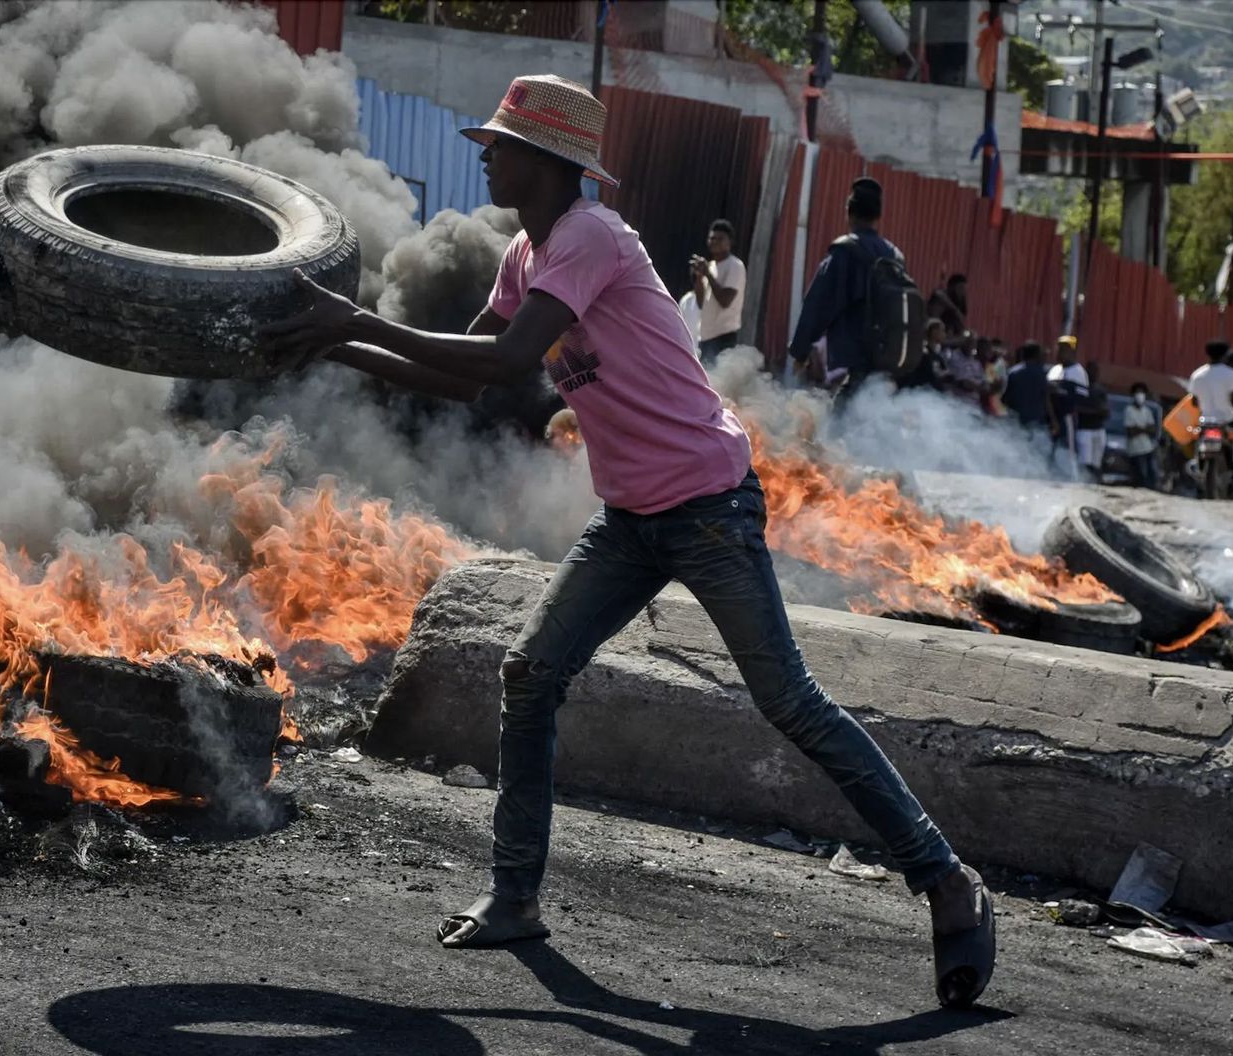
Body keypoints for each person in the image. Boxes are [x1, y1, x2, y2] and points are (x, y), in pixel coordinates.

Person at [259, 74, 994, 1008]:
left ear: (551, 163)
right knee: (531, 674)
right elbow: (466, 379)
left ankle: (945, 881)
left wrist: (351, 321)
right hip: (634, 520)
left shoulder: (594, 238)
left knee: (791, 704)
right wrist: (337, 346)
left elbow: (512, 360)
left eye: (502, 143)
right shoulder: (528, 253)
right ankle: (515, 896)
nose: (486, 153)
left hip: (710, 509)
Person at [787, 176, 905, 398]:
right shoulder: (894, 256)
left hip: (853, 365)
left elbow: (817, 304)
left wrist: (800, 352)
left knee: (840, 426)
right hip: (886, 367)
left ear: (848, 210)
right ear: (878, 215)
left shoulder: (846, 251)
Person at [683, 218, 746, 363]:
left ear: (730, 242)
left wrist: (708, 275)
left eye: (720, 239)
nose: (715, 242)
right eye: (712, 238)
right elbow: (701, 303)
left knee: (717, 381)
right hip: (705, 336)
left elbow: (725, 300)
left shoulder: (735, 265)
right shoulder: (710, 266)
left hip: (723, 337)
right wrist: (699, 277)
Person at [1047, 336, 1089, 477]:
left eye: (1063, 349)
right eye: (1058, 349)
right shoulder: (1054, 370)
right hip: (1052, 416)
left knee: (1068, 448)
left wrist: (1060, 391)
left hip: (1067, 416)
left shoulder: (1078, 371)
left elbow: (1081, 397)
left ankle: (1072, 477)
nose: (1059, 353)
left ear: (1072, 352)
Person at [1190, 340, 1233, 423]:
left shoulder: (1197, 375)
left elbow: (1194, 402)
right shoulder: (1231, 373)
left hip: (1205, 421)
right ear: (1226, 354)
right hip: (1228, 420)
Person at [1075, 362, 1109, 482]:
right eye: (1091, 371)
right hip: (1084, 431)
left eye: (1095, 371)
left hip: (1098, 430)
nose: (1094, 374)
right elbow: (1077, 409)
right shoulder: (1080, 388)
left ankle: (1096, 484)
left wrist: (1096, 411)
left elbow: (1106, 411)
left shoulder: (1100, 390)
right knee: (1085, 462)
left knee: (1096, 463)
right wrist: (1095, 411)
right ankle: (1084, 483)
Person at [1123, 382, 1160, 489]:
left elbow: (1153, 429)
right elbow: (1130, 431)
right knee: (1140, 477)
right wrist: (1144, 429)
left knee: (1151, 475)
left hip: (1147, 448)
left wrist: (1139, 428)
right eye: (1138, 392)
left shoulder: (1147, 411)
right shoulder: (1129, 411)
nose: (1140, 395)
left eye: (1142, 393)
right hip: (1135, 450)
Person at [979, 337, 1008, 416]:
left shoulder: (998, 364)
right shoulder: (981, 363)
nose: (995, 351)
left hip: (994, 401)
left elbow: (997, 385)